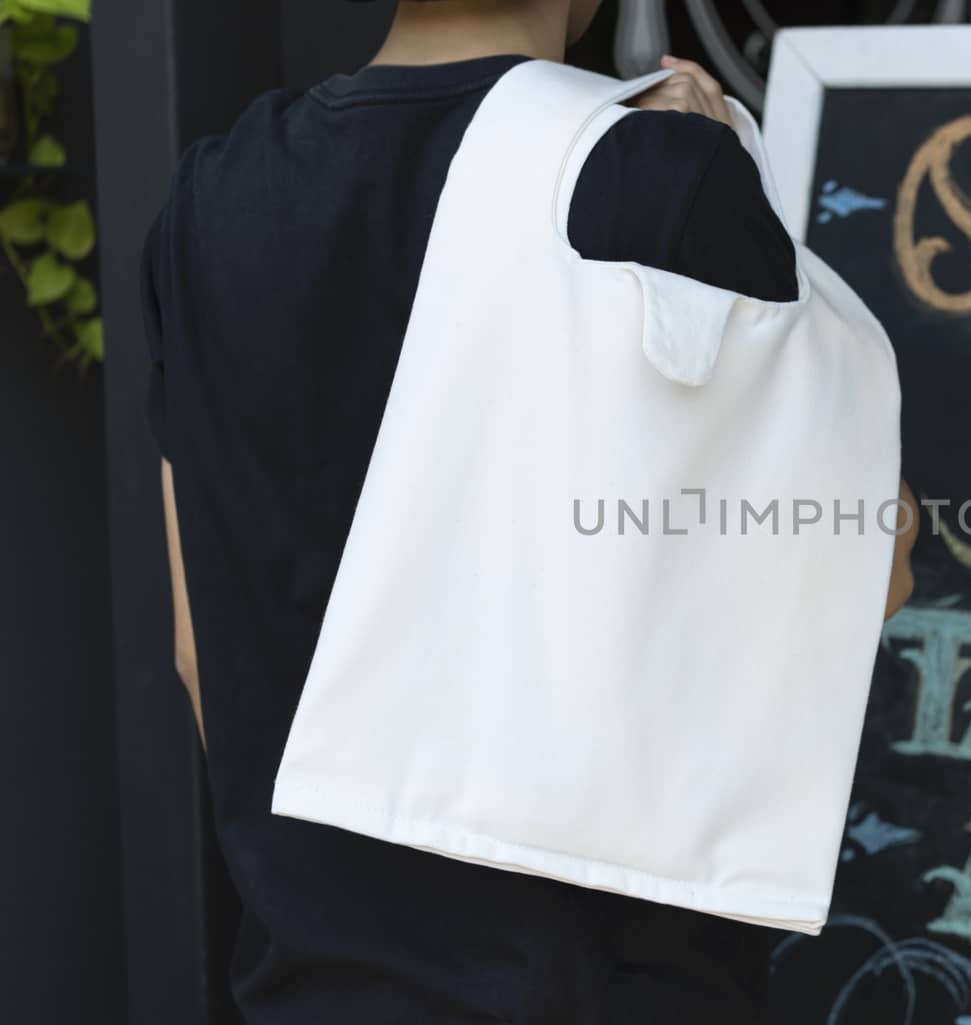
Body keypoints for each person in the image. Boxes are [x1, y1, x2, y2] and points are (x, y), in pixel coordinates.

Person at [141, 0, 917, 1021]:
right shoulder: (656, 172)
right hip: (608, 986)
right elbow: (868, 564)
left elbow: (203, 650)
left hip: (306, 977)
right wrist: (738, 194)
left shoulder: (205, 198)